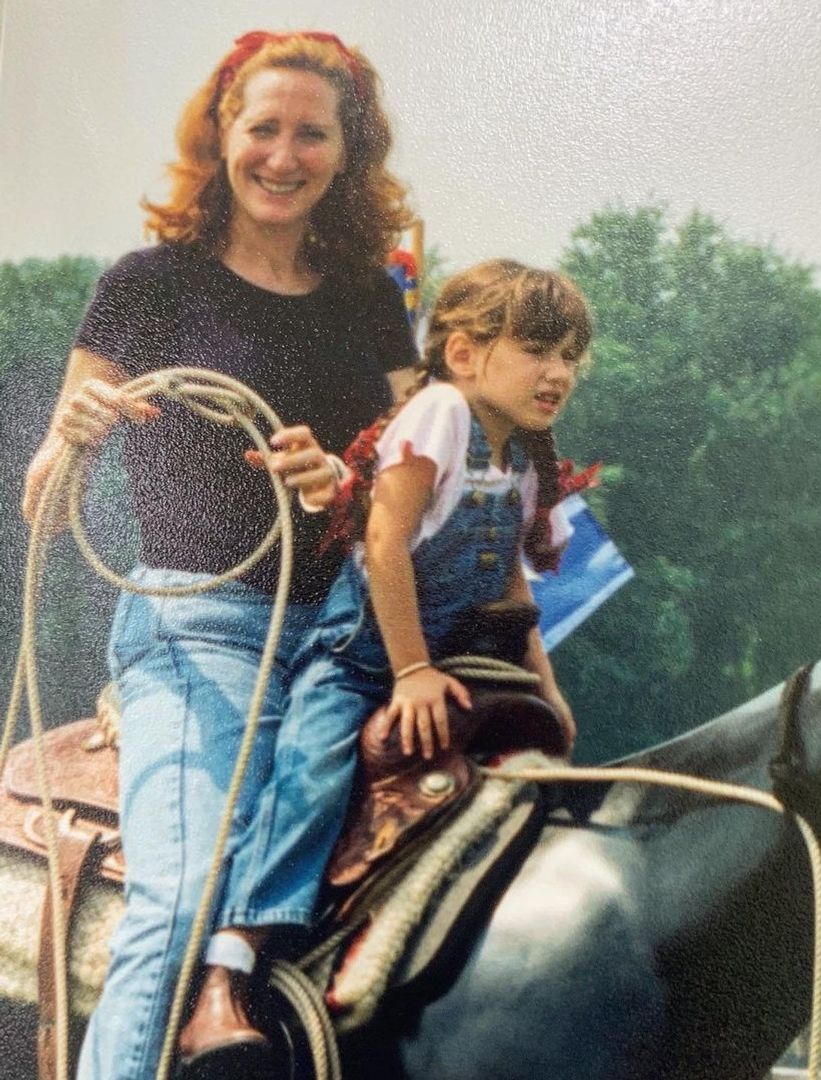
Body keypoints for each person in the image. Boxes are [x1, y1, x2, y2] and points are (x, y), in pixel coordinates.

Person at [20, 30, 418, 1080]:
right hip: (200, 627)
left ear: (348, 150)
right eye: (263, 129)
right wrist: (78, 436)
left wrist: (346, 482)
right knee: (187, 888)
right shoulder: (148, 286)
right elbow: (45, 508)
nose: (283, 156)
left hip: (345, 636)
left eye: (311, 134)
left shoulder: (374, 299)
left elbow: (422, 489)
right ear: (222, 136)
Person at [180, 259, 591, 1066]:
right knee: (312, 774)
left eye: (573, 355)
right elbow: (384, 538)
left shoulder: (522, 460)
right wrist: (407, 671)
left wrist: (547, 692)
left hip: (455, 663)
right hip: (363, 658)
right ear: (467, 355)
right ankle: (225, 970)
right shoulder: (439, 411)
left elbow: (509, 585)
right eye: (539, 349)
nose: (560, 372)